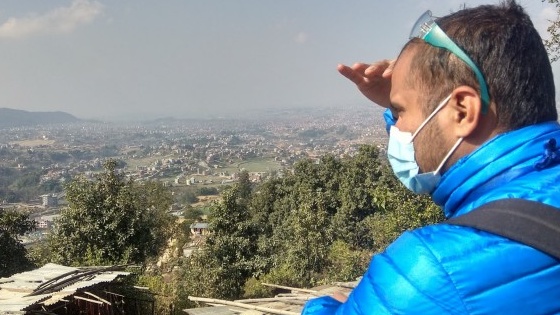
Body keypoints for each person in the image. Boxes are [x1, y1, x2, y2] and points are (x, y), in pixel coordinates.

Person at [302, 1, 560, 314]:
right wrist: (406, 101)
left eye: (399, 113)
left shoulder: (431, 271)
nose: (396, 128)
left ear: (462, 111)